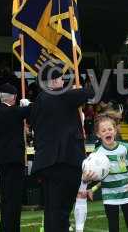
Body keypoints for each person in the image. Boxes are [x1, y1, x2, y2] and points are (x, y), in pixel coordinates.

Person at [30, 64, 95, 232]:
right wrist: (78, 88)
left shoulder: (39, 101)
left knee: (53, 209)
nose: (63, 82)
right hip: (63, 161)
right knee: (62, 210)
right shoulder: (60, 96)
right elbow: (90, 93)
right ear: (53, 81)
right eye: (61, 79)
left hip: (47, 163)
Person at [91, 113, 128, 232]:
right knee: (113, 226)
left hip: (126, 191)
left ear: (115, 131)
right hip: (109, 194)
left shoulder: (125, 148)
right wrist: (91, 176)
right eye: (103, 130)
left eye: (110, 129)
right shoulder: (97, 153)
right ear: (98, 134)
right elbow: (93, 172)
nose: (107, 132)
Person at [0, 83, 31, 232]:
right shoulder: (7, 111)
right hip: (13, 161)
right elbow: (32, 110)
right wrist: (27, 105)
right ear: (14, 97)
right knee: (13, 201)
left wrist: (23, 108)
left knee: (9, 199)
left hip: (5, 160)